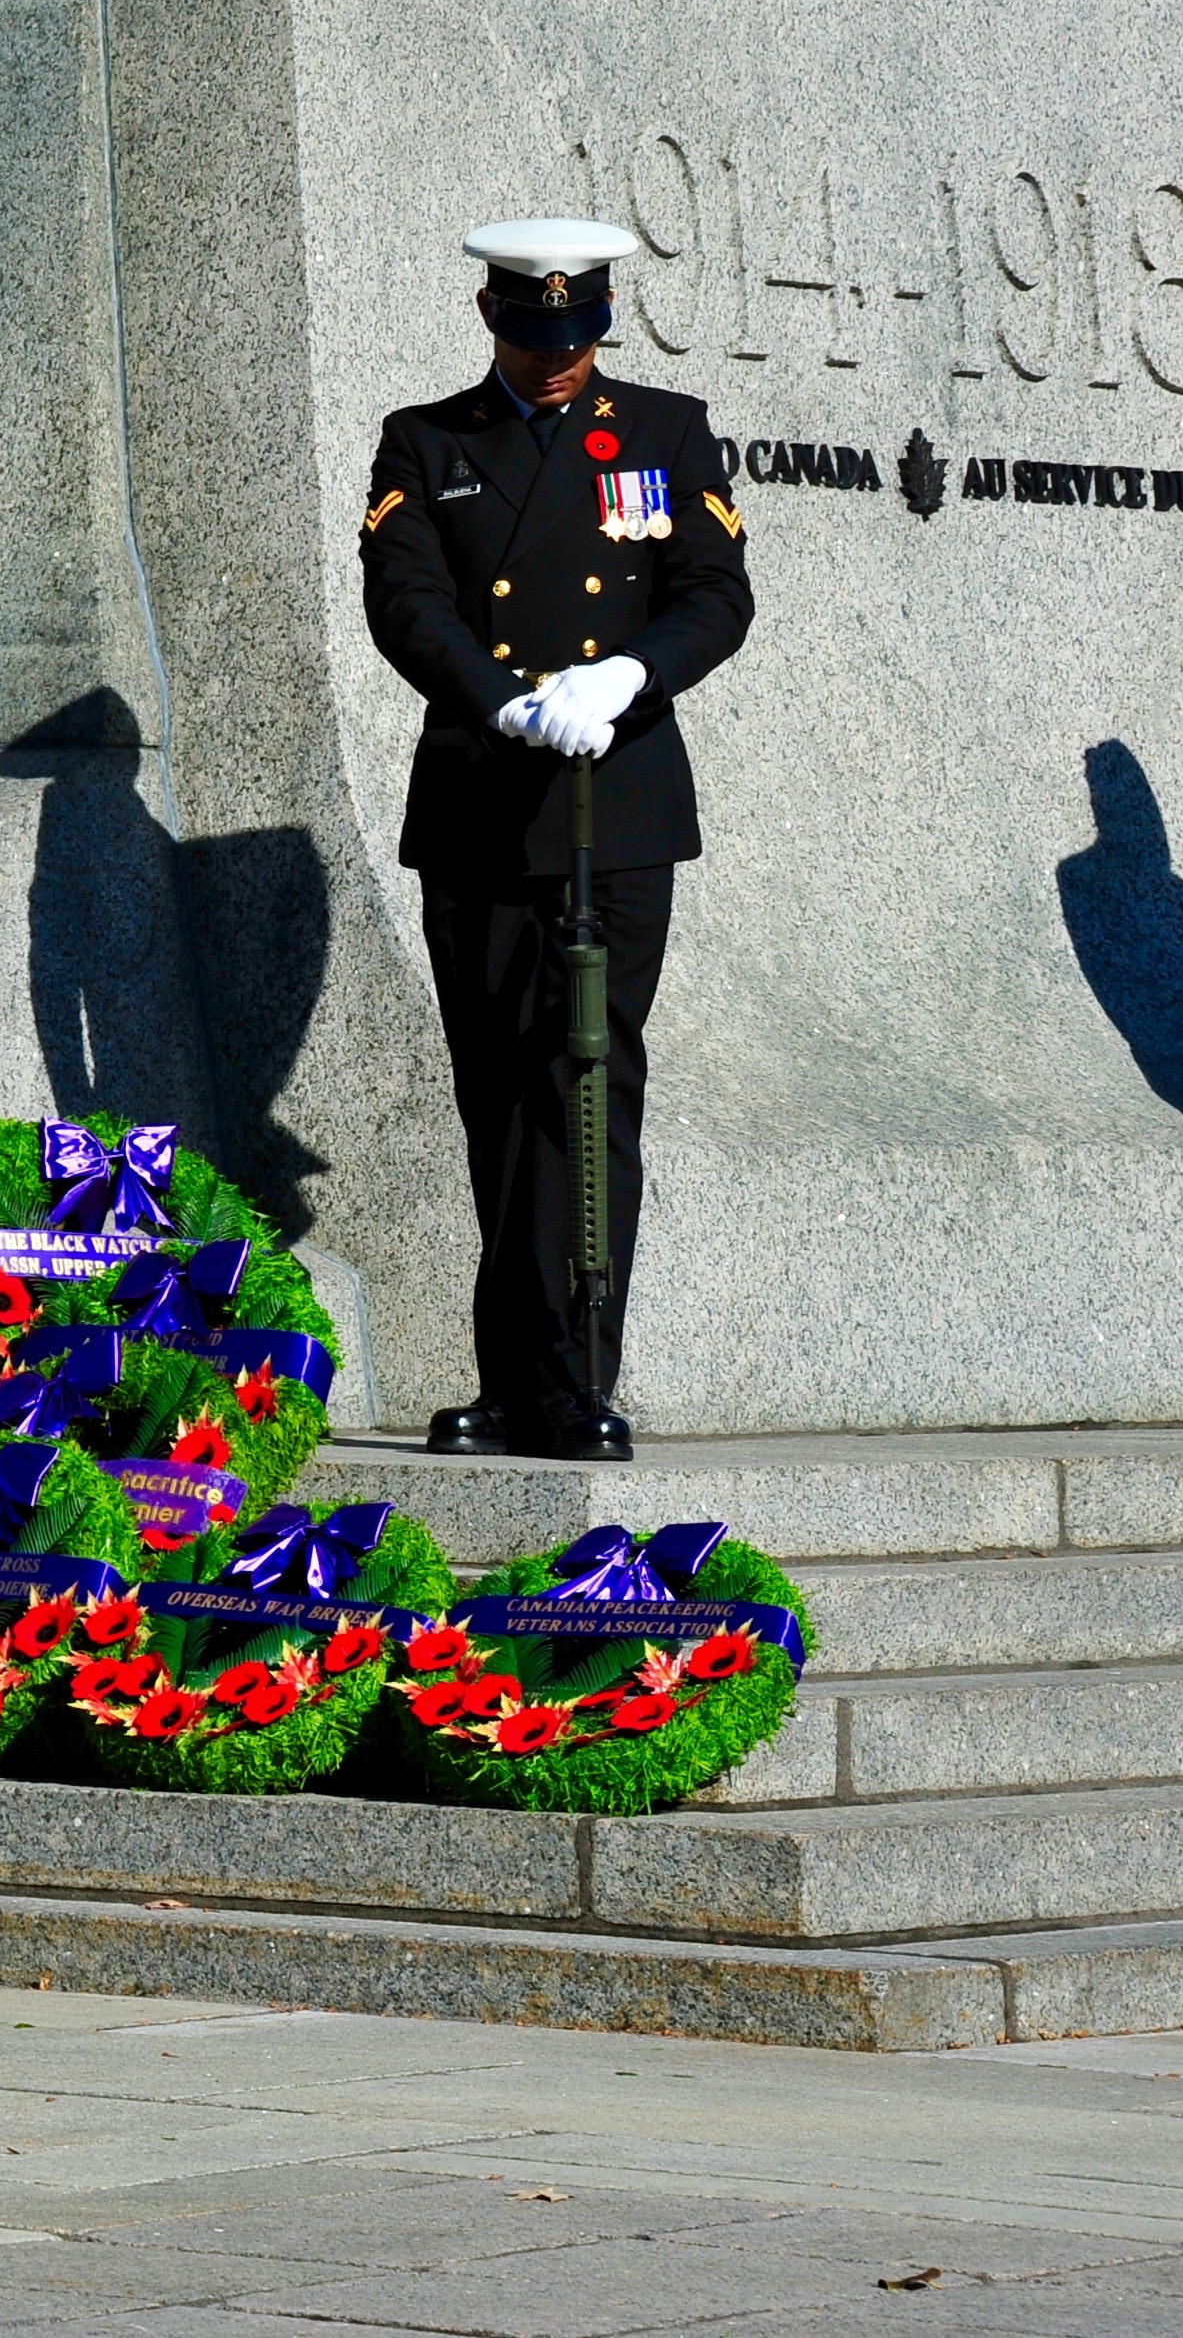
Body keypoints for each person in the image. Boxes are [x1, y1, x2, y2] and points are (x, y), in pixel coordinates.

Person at [358, 218, 753, 1460]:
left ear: (600, 328)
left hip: (612, 809)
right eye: (533, 338)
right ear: (488, 317)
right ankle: (514, 1375)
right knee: (496, 1094)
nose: (554, 362)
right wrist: (499, 695)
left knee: (581, 1088)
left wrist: (629, 672)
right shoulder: (424, 442)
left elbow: (715, 593)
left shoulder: (663, 430)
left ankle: (575, 1376)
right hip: (483, 800)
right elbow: (405, 601)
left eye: (575, 340)